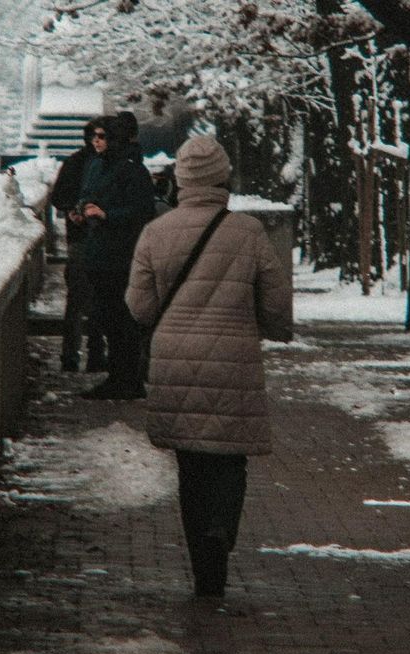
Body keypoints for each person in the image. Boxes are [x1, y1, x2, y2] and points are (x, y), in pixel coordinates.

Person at [125, 135, 292, 598]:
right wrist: (273, 328)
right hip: (233, 358)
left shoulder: (155, 233)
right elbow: (276, 300)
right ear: (224, 178)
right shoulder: (249, 231)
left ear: (181, 180)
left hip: (175, 361)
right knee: (228, 460)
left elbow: (139, 306)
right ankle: (223, 529)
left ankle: (205, 570)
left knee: (191, 465)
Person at [77, 115, 156, 400]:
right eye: (92, 136)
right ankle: (120, 376)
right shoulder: (96, 164)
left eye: (101, 136)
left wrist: (107, 214)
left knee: (121, 318)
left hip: (122, 254)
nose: (95, 141)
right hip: (99, 252)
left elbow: (143, 211)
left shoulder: (133, 170)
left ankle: (127, 378)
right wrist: (83, 209)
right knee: (106, 315)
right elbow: (86, 194)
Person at [48, 118, 107, 373]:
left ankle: (71, 356)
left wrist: (71, 209)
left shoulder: (73, 162)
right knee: (95, 300)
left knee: (77, 301)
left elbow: (58, 197)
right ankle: (93, 354)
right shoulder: (100, 164)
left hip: (80, 238)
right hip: (93, 238)